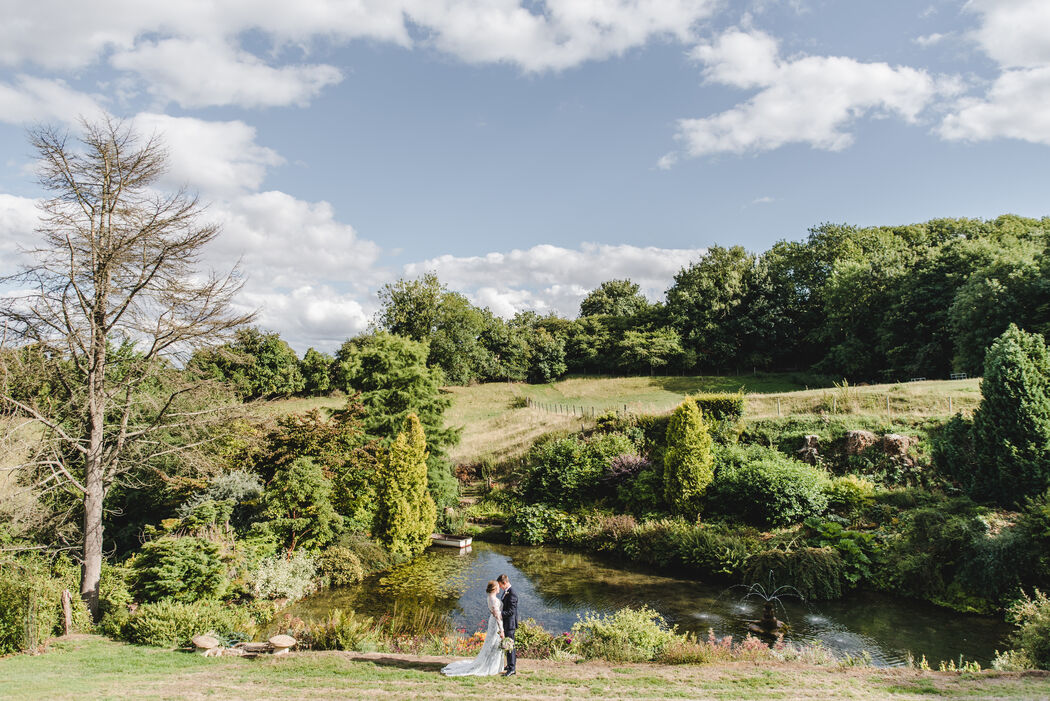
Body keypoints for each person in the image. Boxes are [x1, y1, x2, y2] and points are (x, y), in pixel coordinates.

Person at [440, 580, 506, 676]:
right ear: (495, 588)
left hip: (492, 621)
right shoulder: (494, 600)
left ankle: (493, 664)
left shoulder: (490, 597)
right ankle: (490, 666)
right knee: (493, 643)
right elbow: (497, 616)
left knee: (492, 643)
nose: (500, 588)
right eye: (498, 587)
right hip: (495, 623)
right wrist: (502, 629)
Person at [498, 573, 518, 677]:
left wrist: (500, 614)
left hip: (510, 623)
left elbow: (511, 611)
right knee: (508, 644)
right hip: (506, 623)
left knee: (510, 646)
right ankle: (510, 664)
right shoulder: (507, 592)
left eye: (500, 585)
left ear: (504, 583)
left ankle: (512, 668)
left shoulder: (512, 593)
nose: (500, 587)